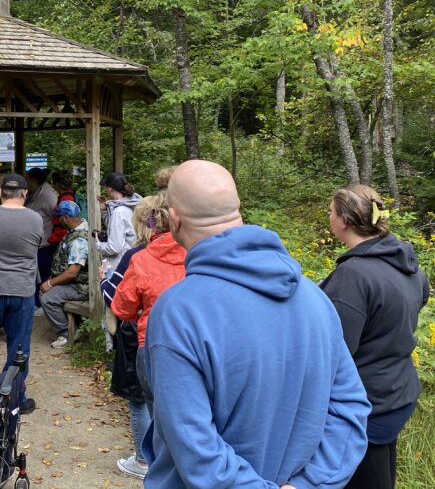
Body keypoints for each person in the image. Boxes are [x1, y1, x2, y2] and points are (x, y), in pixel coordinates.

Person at [143, 160, 370, 488]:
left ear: (174, 219)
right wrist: (310, 484)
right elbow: (350, 408)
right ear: (237, 208)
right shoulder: (314, 297)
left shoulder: (178, 312)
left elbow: (195, 447)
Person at [321, 185, 429, 489]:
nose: (328, 216)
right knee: (382, 468)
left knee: (367, 478)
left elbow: (335, 351)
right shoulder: (406, 262)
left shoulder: (353, 275)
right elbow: (421, 299)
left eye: (330, 211)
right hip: (397, 389)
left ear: (343, 219)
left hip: (366, 404)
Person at [110, 192, 186, 477]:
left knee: (155, 409)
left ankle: (154, 465)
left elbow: (122, 307)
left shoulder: (141, 259)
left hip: (152, 343)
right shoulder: (197, 253)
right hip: (194, 343)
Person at [0, 173, 43, 415]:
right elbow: (36, 245)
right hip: (22, 290)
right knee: (19, 347)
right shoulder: (35, 220)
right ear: (25, 194)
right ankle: (14, 397)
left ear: (1, 192)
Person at [100, 199, 153, 480]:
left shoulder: (138, 256)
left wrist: (105, 280)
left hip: (141, 335)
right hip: (180, 338)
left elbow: (119, 302)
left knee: (139, 398)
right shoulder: (188, 251)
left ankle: (144, 460)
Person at [39, 201, 89, 349]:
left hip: (81, 286)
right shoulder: (75, 230)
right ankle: (77, 327)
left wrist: (50, 283)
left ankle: (65, 334)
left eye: (59, 217)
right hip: (73, 283)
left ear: (66, 218)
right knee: (44, 293)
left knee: (48, 298)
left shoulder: (79, 240)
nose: (56, 220)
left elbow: (72, 273)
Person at [24, 167, 58, 305]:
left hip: (45, 244)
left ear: (33, 181)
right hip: (34, 244)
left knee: (42, 277)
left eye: (27, 180)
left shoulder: (47, 195)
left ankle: (41, 305)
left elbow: (57, 216)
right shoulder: (34, 193)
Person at [95, 172, 141, 273]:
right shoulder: (133, 205)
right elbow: (117, 230)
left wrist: (98, 244)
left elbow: (114, 248)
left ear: (110, 188)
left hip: (120, 268)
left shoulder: (119, 212)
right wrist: (104, 210)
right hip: (132, 263)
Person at [48, 169, 78, 247]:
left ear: (57, 184)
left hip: (62, 238)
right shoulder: (67, 195)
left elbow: (66, 221)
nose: (52, 185)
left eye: (53, 183)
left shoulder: (66, 199)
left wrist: (54, 238)